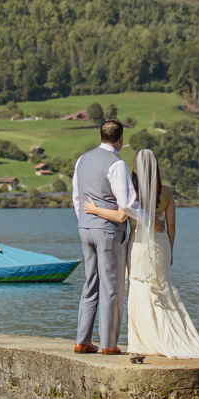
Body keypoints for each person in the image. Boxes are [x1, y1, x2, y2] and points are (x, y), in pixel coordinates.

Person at [84, 147, 199, 359]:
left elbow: (119, 216)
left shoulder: (130, 193)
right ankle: (168, 336)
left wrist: (95, 210)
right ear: (156, 167)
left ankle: (143, 340)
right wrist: (170, 249)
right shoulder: (166, 192)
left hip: (137, 246)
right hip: (160, 244)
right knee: (162, 287)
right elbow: (171, 225)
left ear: (135, 168)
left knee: (138, 287)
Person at [72, 119, 141, 355]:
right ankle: (109, 344)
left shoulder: (82, 160)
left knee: (90, 283)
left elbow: (76, 197)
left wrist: (84, 220)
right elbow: (127, 204)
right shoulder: (117, 165)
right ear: (120, 139)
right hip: (109, 231)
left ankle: (82, 341)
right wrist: (148, 219)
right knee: (111, 287)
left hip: (85, 228)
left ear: (100, 135)